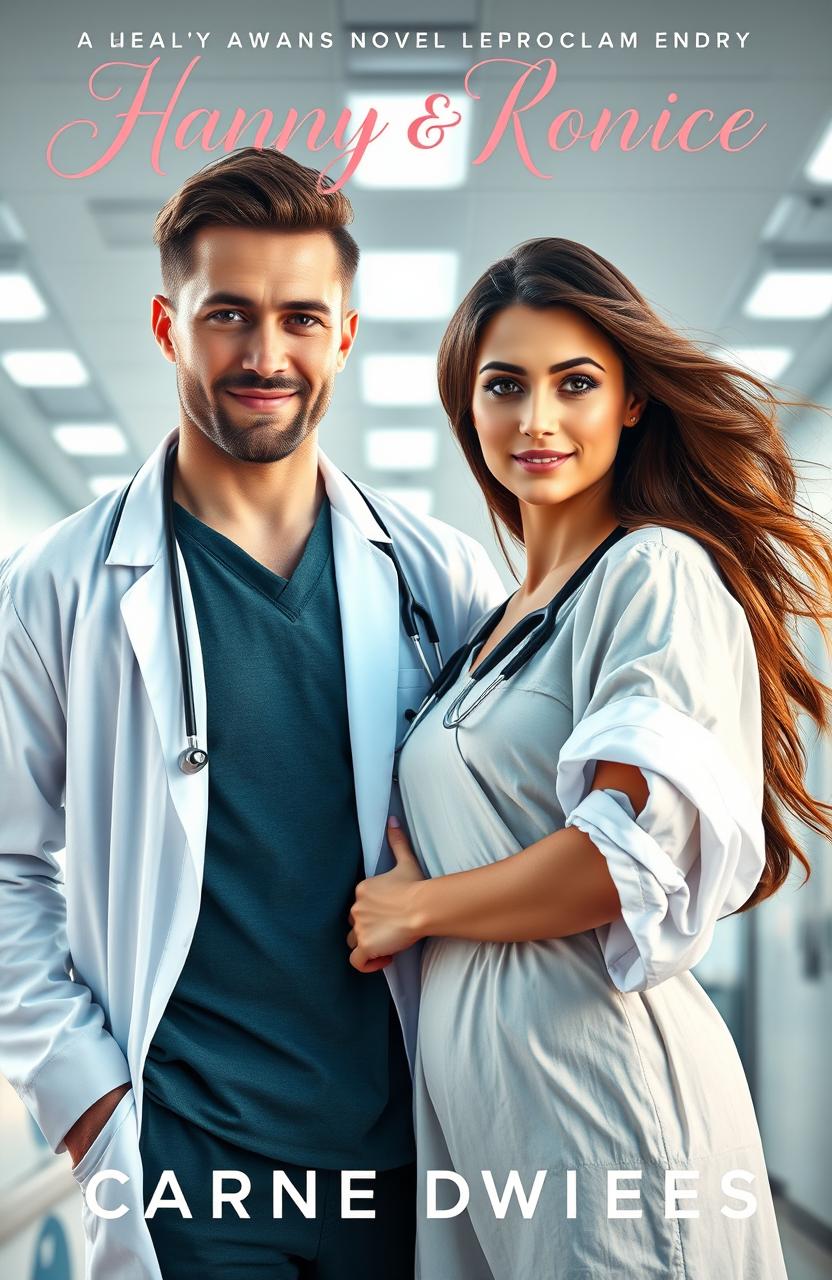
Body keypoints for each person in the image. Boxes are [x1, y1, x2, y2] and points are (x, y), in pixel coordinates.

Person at [0, 147, 505, 1280]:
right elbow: (5, 865)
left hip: (401, 1161)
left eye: (300, 317)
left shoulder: (443, 579)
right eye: (227, 313)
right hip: (186, 1171)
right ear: (167, 323)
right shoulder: (58, 586)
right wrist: (89, 1107)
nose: (265, 355)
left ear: (347, 332)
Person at [346, 237, 832, 1278]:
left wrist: (419, 907)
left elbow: (618, 860)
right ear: (466, 408)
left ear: (630, 402)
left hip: (604, 1102)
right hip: (497, 1117)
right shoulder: (492, 622)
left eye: (574, 383)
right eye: (503, 385)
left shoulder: (653, 572)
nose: (535, 419)